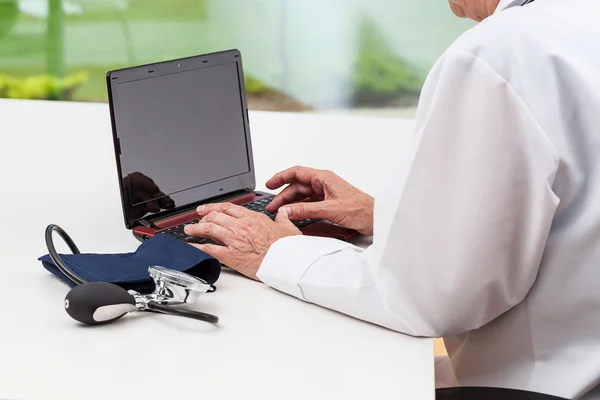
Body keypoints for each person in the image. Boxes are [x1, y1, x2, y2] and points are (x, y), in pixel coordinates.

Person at [184, 0, 600, 398]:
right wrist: (386, 216)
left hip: (539, 386)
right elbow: (570, 221)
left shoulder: (499, 54)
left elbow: (429, 299)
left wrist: (276, 253)